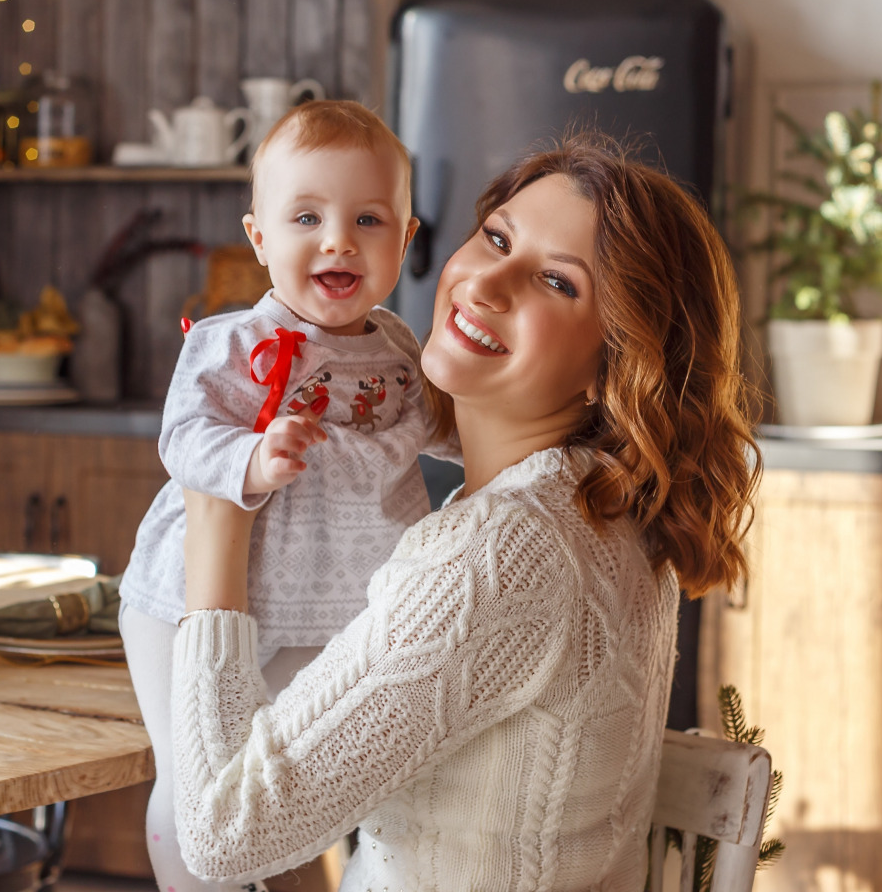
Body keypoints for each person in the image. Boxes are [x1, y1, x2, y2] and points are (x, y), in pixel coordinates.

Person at [171, 137, 759, 891]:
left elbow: (221, 839)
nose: (487, 283)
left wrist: (216, 514)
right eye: (497, 238)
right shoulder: (603, 508)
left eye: (555, 281)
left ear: (617, 366)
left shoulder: (498, 553)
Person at [119, 100, 459, 892]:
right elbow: (182, 438)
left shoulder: (400, 351)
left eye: (368, 219)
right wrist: (252, 456)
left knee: (284, 788)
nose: (338, 239)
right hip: (189, 601)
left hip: (334, 605)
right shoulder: (233, 342)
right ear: (260, 237)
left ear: (405, 241)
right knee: (194, 778)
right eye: (307, 216)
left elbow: (441, 432)